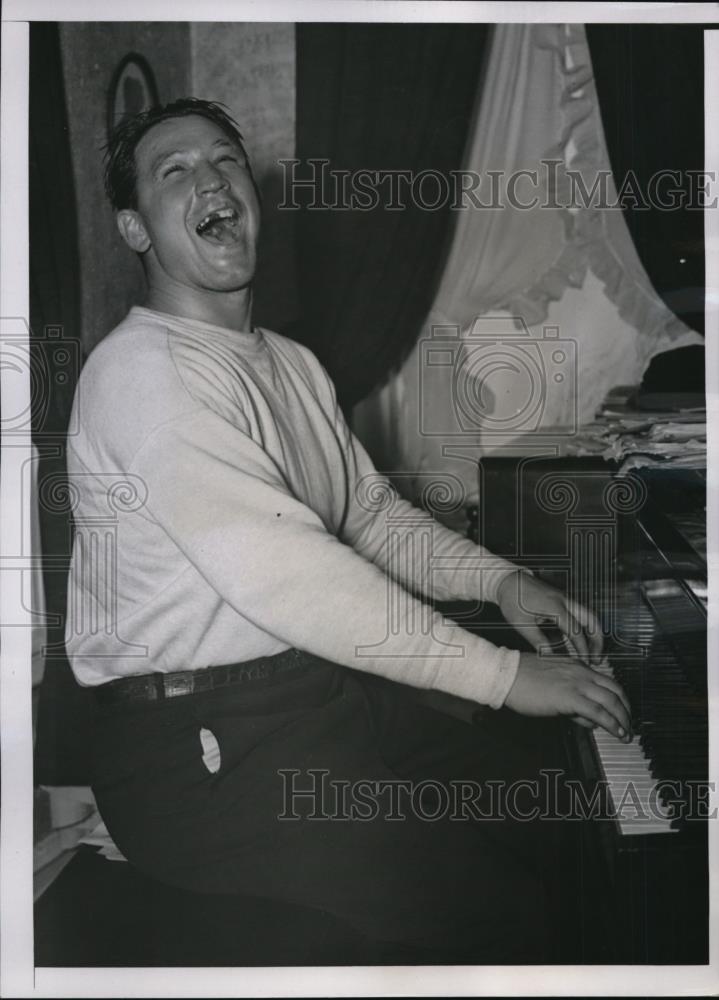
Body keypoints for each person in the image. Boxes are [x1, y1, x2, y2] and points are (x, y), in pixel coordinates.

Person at [65, 98, 632, 964]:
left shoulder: (288, 362)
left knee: (544, 810)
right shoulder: (139, 375)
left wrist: (502, 583)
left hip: (308, 698)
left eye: (224, 160)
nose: (210, 177)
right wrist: (502, 673)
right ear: (135, 229)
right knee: (487, 906)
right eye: (173, 170)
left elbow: (367, 518)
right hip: (196, 753)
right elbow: (290, 573)